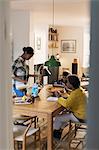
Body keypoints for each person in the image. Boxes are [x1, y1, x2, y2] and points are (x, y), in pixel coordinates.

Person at [53, 74, 87, 140]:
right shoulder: (79, 90)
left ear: (71, 84)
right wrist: (65, 92)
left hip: (81, 117)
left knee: (58, 118)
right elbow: (72, 97)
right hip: (85, 114)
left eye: (67, 82)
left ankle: (55, 135)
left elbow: (66, 104)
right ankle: (59, 131)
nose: (66, 83)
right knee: (64, 115)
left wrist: (59, 97)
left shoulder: (74, 94)